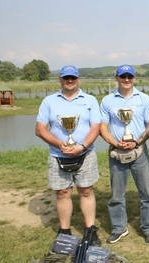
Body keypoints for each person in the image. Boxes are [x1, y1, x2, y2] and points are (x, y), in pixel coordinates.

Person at [35, 65, 102, 245]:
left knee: (86, 191)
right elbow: (40, 129)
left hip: (85, 153)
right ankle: (65, 231)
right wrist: (60, 144)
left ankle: (90, 230)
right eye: (66, 78)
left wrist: (82, 146)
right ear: (60, 80)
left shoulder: (90, 100)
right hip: (58, 155)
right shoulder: (49, 101)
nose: (70, 81)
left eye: (73, 78)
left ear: (78, 79)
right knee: (63, 193)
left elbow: (96, 127)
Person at [99, 64, 149, 245]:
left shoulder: (144, 98)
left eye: (129, 76)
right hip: (116, 152)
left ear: (134, 78)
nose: (126, 80)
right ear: (116, 78)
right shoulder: (107, 100)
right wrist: (116, 143)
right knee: (116, 195)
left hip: (139, 152)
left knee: (146, 193)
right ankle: (119, 228)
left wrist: (137, 141)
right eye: (122, 76)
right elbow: (102, 127)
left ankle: (148, 228)